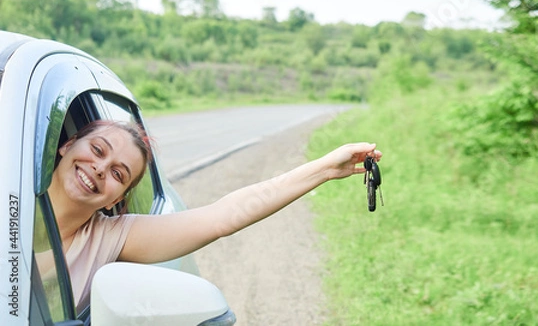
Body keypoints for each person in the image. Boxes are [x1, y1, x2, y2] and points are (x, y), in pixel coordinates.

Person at [47, 119, 382, 311]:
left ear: (117, 199)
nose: (100, 168)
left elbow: (224, 217)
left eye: (119, 174)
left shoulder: (111, 236)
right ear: (68, 144)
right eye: (96, 150)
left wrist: (324, 169)